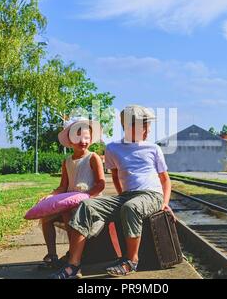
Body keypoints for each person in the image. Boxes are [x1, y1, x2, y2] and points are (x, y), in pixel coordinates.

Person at [51, 105, 172, 279]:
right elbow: (115, 175)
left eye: (148, 125)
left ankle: (131, 261)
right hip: (127, 196)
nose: (148, 130)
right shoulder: (113, 148)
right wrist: (122, 194)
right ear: (129, 127)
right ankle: (74, 265)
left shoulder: (153, 149)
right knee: (86, 205)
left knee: (131, 207)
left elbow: (165, 179)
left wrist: (164, 203)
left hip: (151, 194)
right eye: (144, 125)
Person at [40, 117, 105, 268]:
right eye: (79, 137)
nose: (83, 141)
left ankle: (73, 253)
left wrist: (86, 196)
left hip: (88, 200)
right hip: (69, 199)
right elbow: (63, 186)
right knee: (46, 216)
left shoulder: (93, 158)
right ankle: (52, 255)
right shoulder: (67, 161)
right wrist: (51, 196)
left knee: (67, 212)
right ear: (70, 140)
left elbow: (101, 184)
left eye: (86, 137)